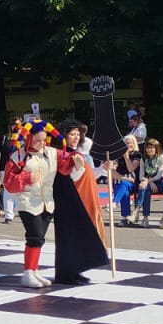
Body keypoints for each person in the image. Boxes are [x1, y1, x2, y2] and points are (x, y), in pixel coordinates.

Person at [50, 121, 107, 284]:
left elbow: (88, 175)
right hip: (67, 200)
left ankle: (75, 270)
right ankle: (65, 273)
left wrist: (103, 169)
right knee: (68, 236)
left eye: (78, 134)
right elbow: (68, 179)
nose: (76, 137)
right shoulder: (60, 154)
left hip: (79, 199)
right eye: (72, 134)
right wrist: (78, 168)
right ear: (64, 135)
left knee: (78, 235)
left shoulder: (78, 154)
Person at [8, 122, 58, 288]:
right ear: (29, 139)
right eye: (37, 140)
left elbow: (67, 164)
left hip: (47, 203)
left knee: (39, 238)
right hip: (27, 202)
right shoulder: (19, 157)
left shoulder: (51, 154)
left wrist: (80, 163)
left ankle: (33, 270)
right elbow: (8, 183)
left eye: (44, 140)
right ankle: (28, 272)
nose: (41, 143)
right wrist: (26, 178)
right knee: (35, 236)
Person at [134, 139, 163, 226]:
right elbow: (141, 176)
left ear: (157, 148)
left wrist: (148, 181)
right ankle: (145, 218)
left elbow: (159, 175)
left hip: (160, 183)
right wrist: (149, 182)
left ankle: (137, 211)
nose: (149, 150)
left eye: (152, 148)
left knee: (143, 187)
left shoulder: (162, 158)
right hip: (147, 183)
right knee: (146, 189)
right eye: (148, 148)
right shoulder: (143, 159)